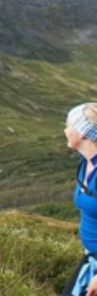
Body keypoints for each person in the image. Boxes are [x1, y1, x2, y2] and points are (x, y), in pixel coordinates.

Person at [62, 103, 97, 296]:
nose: (65, 130)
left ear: (83, 132)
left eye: (69, 125)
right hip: (91, 260)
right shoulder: (86, 163)